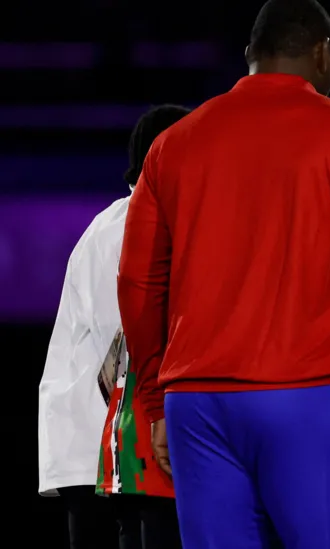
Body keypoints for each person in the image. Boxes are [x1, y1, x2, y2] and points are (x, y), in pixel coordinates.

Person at [117, 1, 330, 548]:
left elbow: (138, 283)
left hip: (198, 404)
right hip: (305, 392)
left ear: (250, 57)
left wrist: (156, 403)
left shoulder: (174, 143)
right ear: (325, 53)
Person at [37, 104, 189, 549]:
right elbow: (131, 348)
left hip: (113, 448)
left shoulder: (138, 222)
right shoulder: (127, 229)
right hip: (99, 450)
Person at [95, 105, 191, 549]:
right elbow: (122, 336)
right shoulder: (135, 224)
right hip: (153, 436)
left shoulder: (135, 219)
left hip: (141, 432)